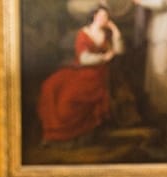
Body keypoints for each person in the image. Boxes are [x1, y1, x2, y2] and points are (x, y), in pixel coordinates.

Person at [37, 4, 126, 144]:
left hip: (99, 75)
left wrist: (116, 32)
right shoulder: (83, 34)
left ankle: (71, 133)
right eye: (102, 16)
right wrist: (104, 58)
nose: (105, 19)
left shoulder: (107, 34)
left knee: (68, 99)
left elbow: (119, 51)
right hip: (82, 71)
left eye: (107, 17)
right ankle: (54, 132)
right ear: (95, 16)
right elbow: (84, 59)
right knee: (51, 86)